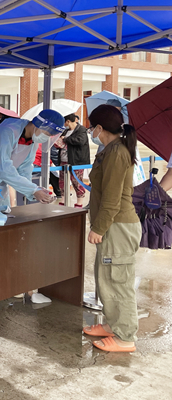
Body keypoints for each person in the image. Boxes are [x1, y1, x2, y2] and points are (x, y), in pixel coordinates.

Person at [83, 104, 141, 352]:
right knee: (106, 278)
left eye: (91, 128)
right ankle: (112, 324)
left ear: (99, 127)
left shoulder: (117, 152)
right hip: (112, 225)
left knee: (118, 282)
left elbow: (112, 198)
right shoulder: (110, 149)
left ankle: (125, 337)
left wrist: (98, 228)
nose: (91, 133)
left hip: (118, 226)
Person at [0, 109, 65, 210]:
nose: (47, 137)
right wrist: (32, 190)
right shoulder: (8, 130)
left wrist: (35, 191)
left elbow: (25, 168)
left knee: (0, 216)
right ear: (38, 124)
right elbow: (3, 168)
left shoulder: (33, 140)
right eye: (47, 133)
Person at [57, 113, 90, 207]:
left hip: (76, 160)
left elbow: (80, 141)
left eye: (64, 122)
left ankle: (79, 202)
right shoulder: (65, 131)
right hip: (64, 160)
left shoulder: (81, 129)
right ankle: (63, 200)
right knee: (62, 181)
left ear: (68, 121)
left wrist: (66, 139)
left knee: (76, 181)